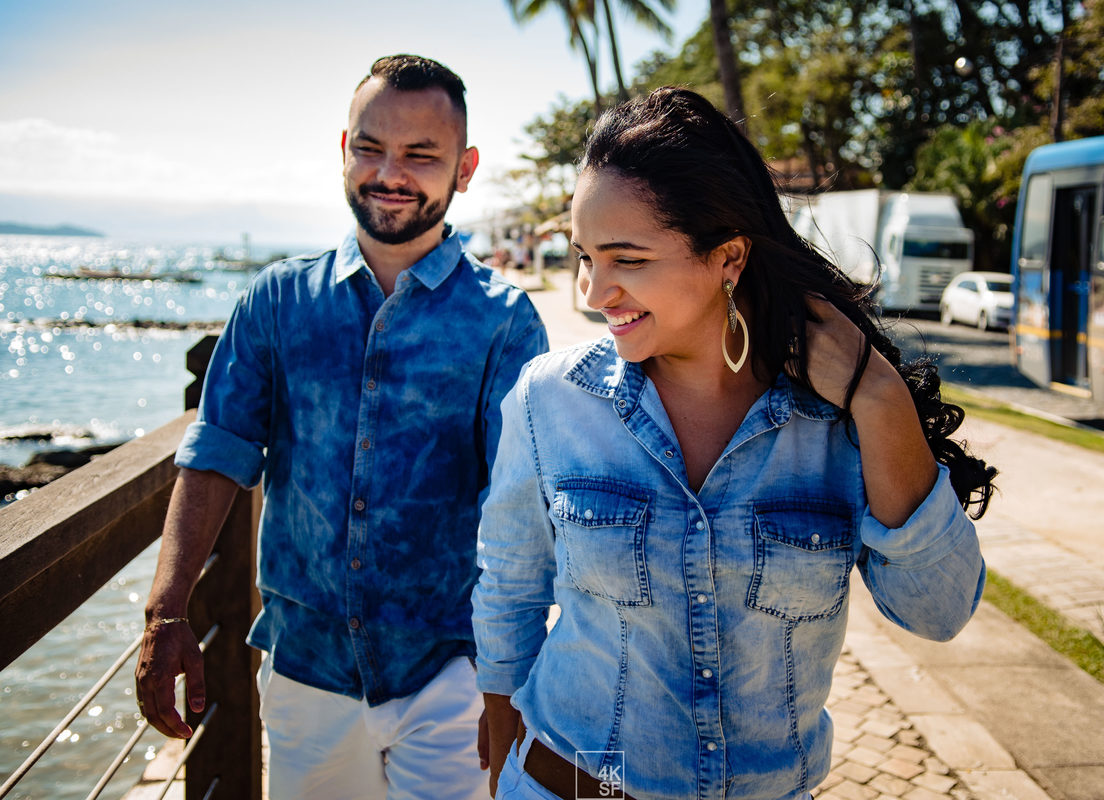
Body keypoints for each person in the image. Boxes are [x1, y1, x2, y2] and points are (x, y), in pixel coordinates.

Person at [472, 87, 996, 800]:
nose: (596, 291)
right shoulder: (550, 399)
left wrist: (879, 398)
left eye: (626, 259)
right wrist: (502, 740)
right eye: (585, 257)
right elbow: (509, 584)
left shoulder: (837, 418)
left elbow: (939, 612)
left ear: (728, 258)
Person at [135, 54, 548, 800]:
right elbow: (218, 450)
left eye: (422, 154)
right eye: (370, 146)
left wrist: (511, 678)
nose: (391, 171)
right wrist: (166, 614)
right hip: (306, 673)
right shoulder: (277, 301)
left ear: (465, 168)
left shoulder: (504, 321)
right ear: (343, 149)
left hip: (451, 675)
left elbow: (521, 507)